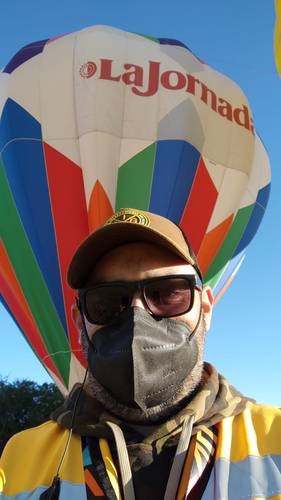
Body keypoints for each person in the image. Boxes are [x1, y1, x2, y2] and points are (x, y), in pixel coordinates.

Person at [1, 207, 281, 500]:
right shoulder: (18, 458)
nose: (138, 317)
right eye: (107, 301)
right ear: (79, 320)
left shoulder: (275, 437)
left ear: (206, 308)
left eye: (168, 293)